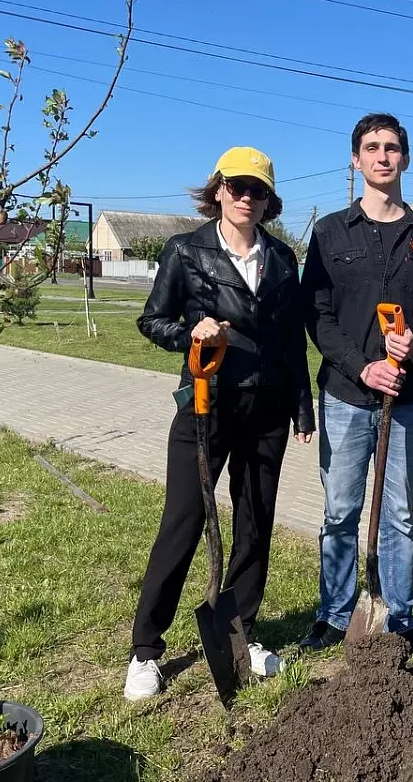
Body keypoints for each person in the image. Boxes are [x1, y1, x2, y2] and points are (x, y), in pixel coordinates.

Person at [125, 147, 315, 700]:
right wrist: (191, 336)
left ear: (269, 201)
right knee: (182, 524)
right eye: (236, 187)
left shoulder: (282, 259)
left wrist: (302, 406)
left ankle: (242, 631)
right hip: (205, 409)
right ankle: (145, 649)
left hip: (267, 411)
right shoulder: (186, 251)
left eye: (256, 190)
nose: (245, 198)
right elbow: (151, 319)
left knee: (255, 526)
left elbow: (289, 340)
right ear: (218, 191)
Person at [300, 113, 413, 652]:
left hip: (409, 398)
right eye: (372, 147)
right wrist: (359, 364)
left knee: (398, 513)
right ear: (356, 159)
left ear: (406, 159)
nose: (383, 156)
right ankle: (334, 612)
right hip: (347, 396)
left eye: (392, 147)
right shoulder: (328, 234)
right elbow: (317, 314)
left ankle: (398, 616)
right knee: (340, 510)